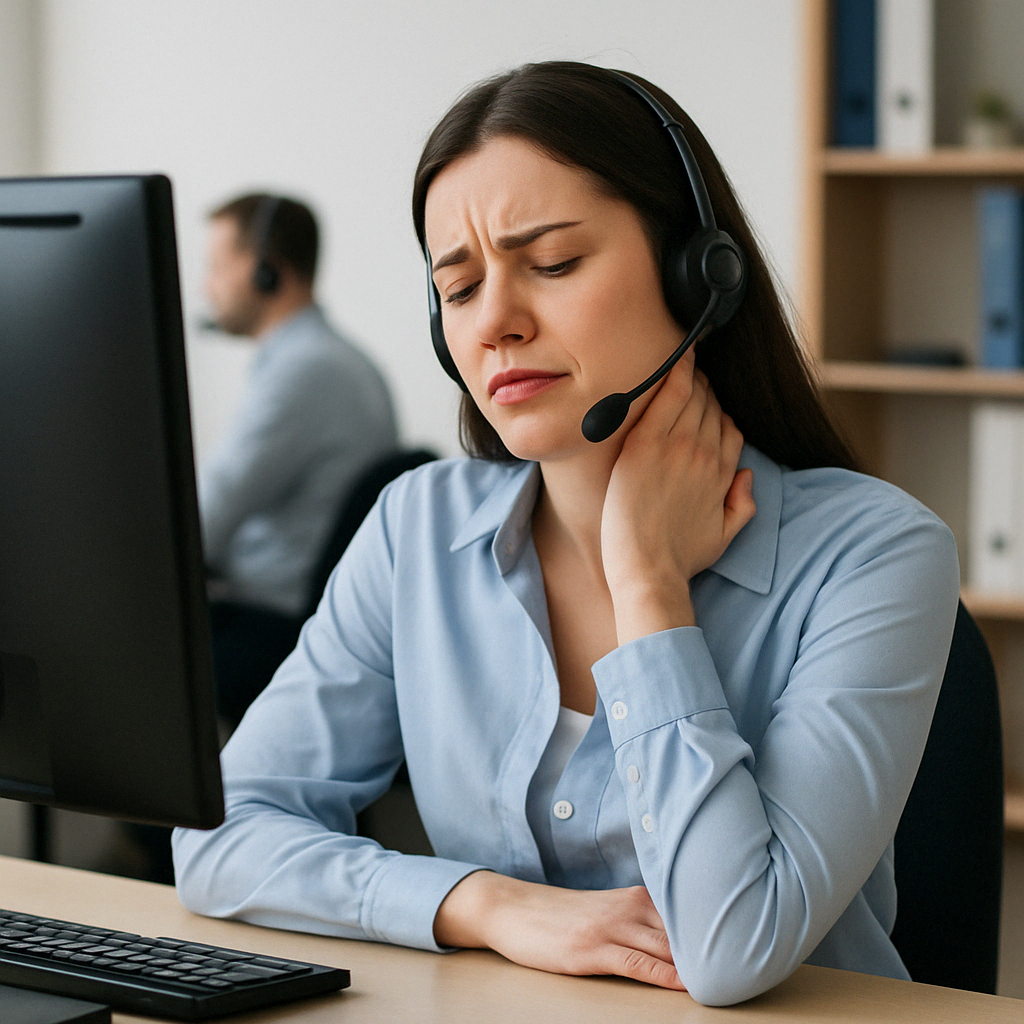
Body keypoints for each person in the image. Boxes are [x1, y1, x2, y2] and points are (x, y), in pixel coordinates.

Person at [173, 64, 960, 1006]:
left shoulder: (876, 555)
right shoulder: (417, 528)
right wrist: (482, 903)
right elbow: (220, 835)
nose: (495, 324)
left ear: (699, 274)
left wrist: (648, 585)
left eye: (550, 264)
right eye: (459, 288)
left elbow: (733, 948)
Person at [199, 192, 398, 729]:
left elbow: (202, 522)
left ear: (265, 269)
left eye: (217, 266)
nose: (206, 286)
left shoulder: (303, 370)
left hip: (273, 625)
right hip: (309, 615)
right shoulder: (343, 360)